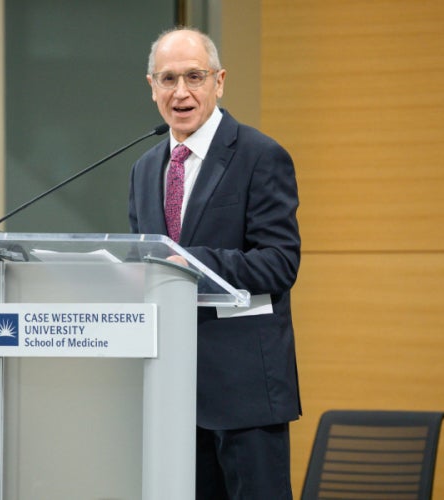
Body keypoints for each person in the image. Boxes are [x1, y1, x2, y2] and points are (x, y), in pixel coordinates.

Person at [128, 27, 302, 499]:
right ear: (152, 88)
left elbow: (279, 263)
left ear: (219, 82)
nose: (180, 92)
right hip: (172, 392)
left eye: (194, 76)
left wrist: (185, 262)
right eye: (168, 79)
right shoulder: (145, 169)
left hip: (245, 393)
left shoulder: (260, 156)